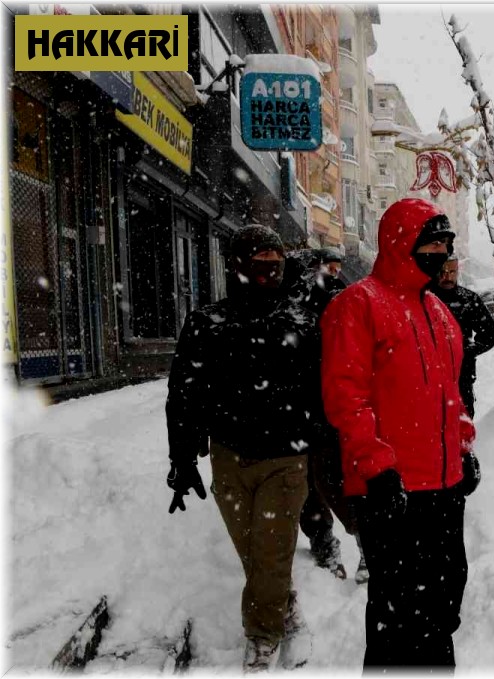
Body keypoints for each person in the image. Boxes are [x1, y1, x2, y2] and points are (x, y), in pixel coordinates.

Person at [320, 198, 480, 671]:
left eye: (445, 245)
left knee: (446, 599)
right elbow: (346, 399)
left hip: (445, 488)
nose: (440, 253)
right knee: (399, 616)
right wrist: (377, 467)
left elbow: (451, 396)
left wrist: (464, 449)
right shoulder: (358, 304)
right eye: (431, 243)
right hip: (394, 491)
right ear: (401, 244)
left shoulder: (439, 312)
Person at [165, 225, 320, 672]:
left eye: (276, 258)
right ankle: (283, 604)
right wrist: (182, 456)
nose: (270, 265)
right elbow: (184, 393)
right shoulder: (207, 322)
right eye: (259, 258)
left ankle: (263, 638)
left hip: (286, 459)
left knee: (270, 553)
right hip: (229, 458)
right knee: (256, 556)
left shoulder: (300, 322)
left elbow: (324, 389)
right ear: (236, 265)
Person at [282, 249, 359, 582]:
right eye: (329, 267)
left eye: (337, 268)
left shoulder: (340, 298)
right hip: (297, 410)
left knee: (335, 480)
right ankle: (323, 541)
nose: (333, 273)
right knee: (308, 485)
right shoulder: (290, 300)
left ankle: (362, 540)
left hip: (328, 407)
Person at [429, 254, 494, 418]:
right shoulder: (424, 298)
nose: (448, 277)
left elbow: (490, 333)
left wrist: (467, 351)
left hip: (461, 377)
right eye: (443, 272)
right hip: (429, 377)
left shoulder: (468, 300)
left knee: (462, 423)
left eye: (452, 272)